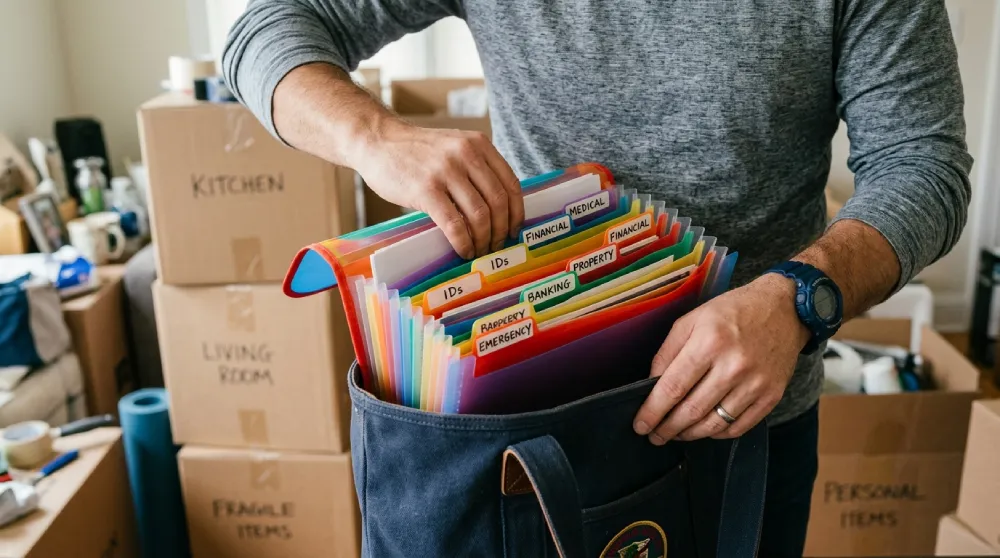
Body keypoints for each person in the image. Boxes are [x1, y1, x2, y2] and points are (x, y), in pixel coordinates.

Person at [222, 1, 971, 554]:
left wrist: (801, 298)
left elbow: (924, 166)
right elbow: (267, 29)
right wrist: (374, 138)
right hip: (526, 427)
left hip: (742, 419)